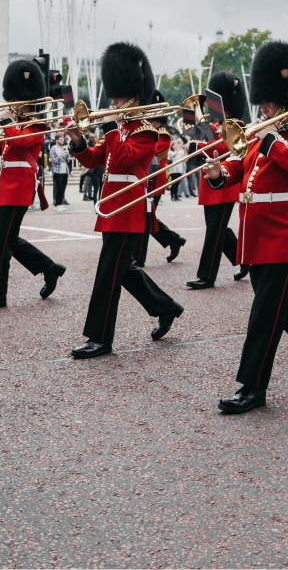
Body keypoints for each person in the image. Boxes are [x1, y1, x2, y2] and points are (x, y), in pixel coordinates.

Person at [203, 41, 288, 414]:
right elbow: (243, 169)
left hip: (285, 235)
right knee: (274, 308)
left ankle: (251, 387)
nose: (264, 110)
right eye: (263, 105)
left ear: (286, 101)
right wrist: (220, 173)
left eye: (270, 105)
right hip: (257, 234)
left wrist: (271, 139)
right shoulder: (261, 133)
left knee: (264, 314)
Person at [65, 42, 185, 359]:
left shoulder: (147, 133)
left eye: (119, 99)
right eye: (114, 98)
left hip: (127, 207)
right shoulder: (117, 129)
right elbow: (96, 160)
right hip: (111, 207)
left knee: (108, 274)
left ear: (134, 98)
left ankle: (100, 339)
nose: (114, 103)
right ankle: (166, 307)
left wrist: (110, 128)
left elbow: (125, 159)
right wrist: (78, 143)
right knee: (123, 270)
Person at [0, 59, 66, 310]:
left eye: (16, 100)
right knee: (7, 239)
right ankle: (49, 268)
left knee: (2, 242)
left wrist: (6, 123)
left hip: (20, 187)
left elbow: (21, 144)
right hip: (7, 187)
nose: (12, 104)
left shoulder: (36, 125)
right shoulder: (16, 125)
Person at [185, 71, 249, 290]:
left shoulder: (236, 125)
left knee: (214, 231)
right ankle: (243, 260)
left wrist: (198, 147)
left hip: (225, 181)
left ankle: (206, 275)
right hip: (209, 181)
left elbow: (225, 148)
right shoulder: (214, 125)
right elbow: (209, 142)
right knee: (218, 229)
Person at [132, 91, 186, 268]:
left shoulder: (162, 134)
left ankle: (139, 257)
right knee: (147, 218)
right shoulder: (147, 131)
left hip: (154, 183)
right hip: (143, 181)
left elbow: (149, 153)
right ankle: (174, 239)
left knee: (145, 219)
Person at [49, 135, 72, 210]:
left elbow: (68, 160)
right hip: (57, 170)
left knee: (63, 187)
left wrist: (68, 155)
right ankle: (57, 204)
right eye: (60, 139)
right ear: (56, 140)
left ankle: (61, 203)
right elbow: (54, 160)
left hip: (65, 170)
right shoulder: (53, 148)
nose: (62, 141)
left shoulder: (63, 148)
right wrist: (61, 155)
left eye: (62, 139)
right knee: (59, 187)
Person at [167, 136, 186, 200]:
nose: (176, 146)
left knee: (177, 183)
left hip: (179, 170)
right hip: (173, 170)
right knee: (174, 183)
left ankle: (176, 195)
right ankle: (172, 195)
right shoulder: (170, 152)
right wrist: (177, 149)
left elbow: (185, 159)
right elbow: (173, 156)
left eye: (176, 144)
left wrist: (184, 150)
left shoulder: (180, 151)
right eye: (174, 145)